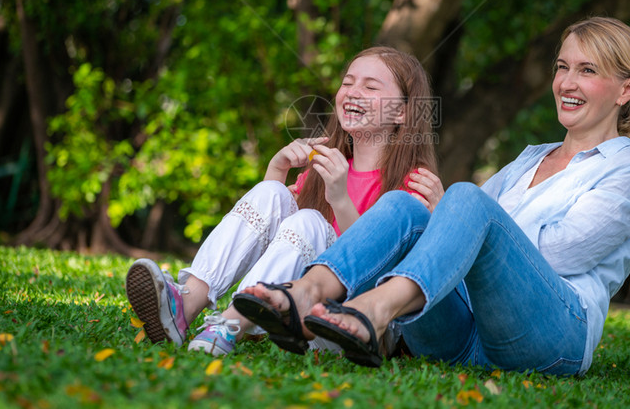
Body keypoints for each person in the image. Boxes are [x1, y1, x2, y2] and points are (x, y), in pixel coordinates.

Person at [237, 17, 630, 375]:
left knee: (463, 199)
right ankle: (308, 291)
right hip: (460, 337)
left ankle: (373, 310)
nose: (566, 82)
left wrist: (462, 222)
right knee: (406, 203)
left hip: (550, 339)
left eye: (587, 71)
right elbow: (464, 229)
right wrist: (452, 221)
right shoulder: (529, 159)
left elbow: (558, 255)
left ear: (626, 90)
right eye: (562, 67)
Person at [125, 46, 443, 357]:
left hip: (357, 322)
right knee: (274, 193)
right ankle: (188, 303)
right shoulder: (321, 169)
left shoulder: (415, 183)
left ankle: (230, 323)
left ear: (402, 111)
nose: (353, 91)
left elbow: (385, 271)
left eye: (370, 86)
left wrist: (341, 199)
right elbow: (267, 237)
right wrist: (275, 173)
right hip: (294, 310)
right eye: (347, 82)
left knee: (310, 222)